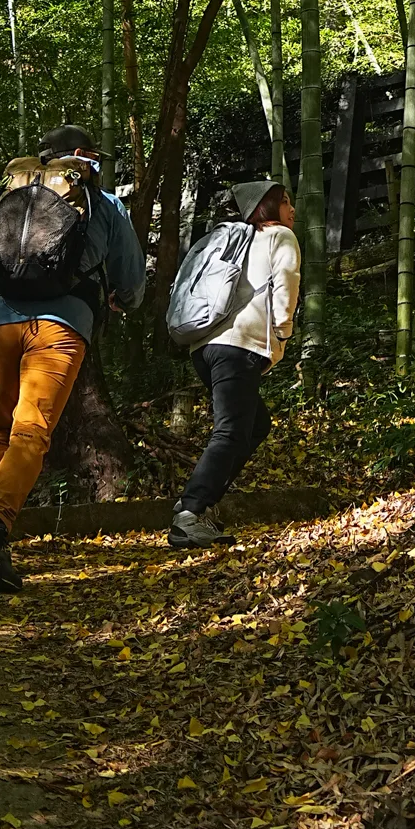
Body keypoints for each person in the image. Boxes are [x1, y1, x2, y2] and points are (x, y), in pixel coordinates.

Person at [0, 122, 146, 593]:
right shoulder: (102, 203)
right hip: (61, 327)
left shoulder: (5, 203)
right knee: (31, 430)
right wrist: (124, 299)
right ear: (79, 156)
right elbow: (131, 276)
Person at [169, 176, 301, 549]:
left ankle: (201, 505)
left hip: (204, 348)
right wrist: (284, 332)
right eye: (286, 202)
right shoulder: (279, 237)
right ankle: (190, 512)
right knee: (230, 430)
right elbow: (287, 284)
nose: (292, 209)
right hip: (238, 346)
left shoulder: (231, 242)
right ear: (268, 208)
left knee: (255, 424)